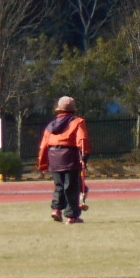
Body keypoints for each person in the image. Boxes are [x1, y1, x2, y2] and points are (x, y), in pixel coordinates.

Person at [37, 95, 91, 224]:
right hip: (69, 156)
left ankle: (56, 210)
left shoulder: (51, 125)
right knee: (71, 187)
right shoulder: (78, 121)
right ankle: (72, 216)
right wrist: (84, 157)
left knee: (59, 186)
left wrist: (43, 163)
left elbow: (44, 145)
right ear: (73, 109)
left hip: (53, 156)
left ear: (59, 109)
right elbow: (82, 140)